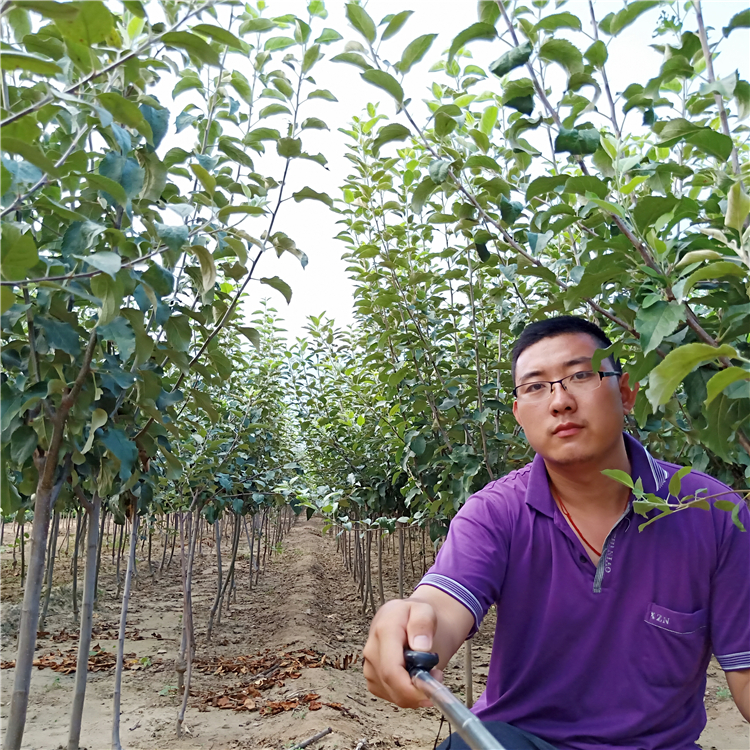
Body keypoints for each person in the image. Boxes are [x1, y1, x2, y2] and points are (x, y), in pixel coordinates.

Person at [362, 316, 750, 750]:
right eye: (534, 386)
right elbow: (441, 605)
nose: (560, 401)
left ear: (625, 392)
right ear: (518, 413)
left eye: (581, 375)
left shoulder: (711, 513)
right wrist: (412, 625)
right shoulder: (496, 513)